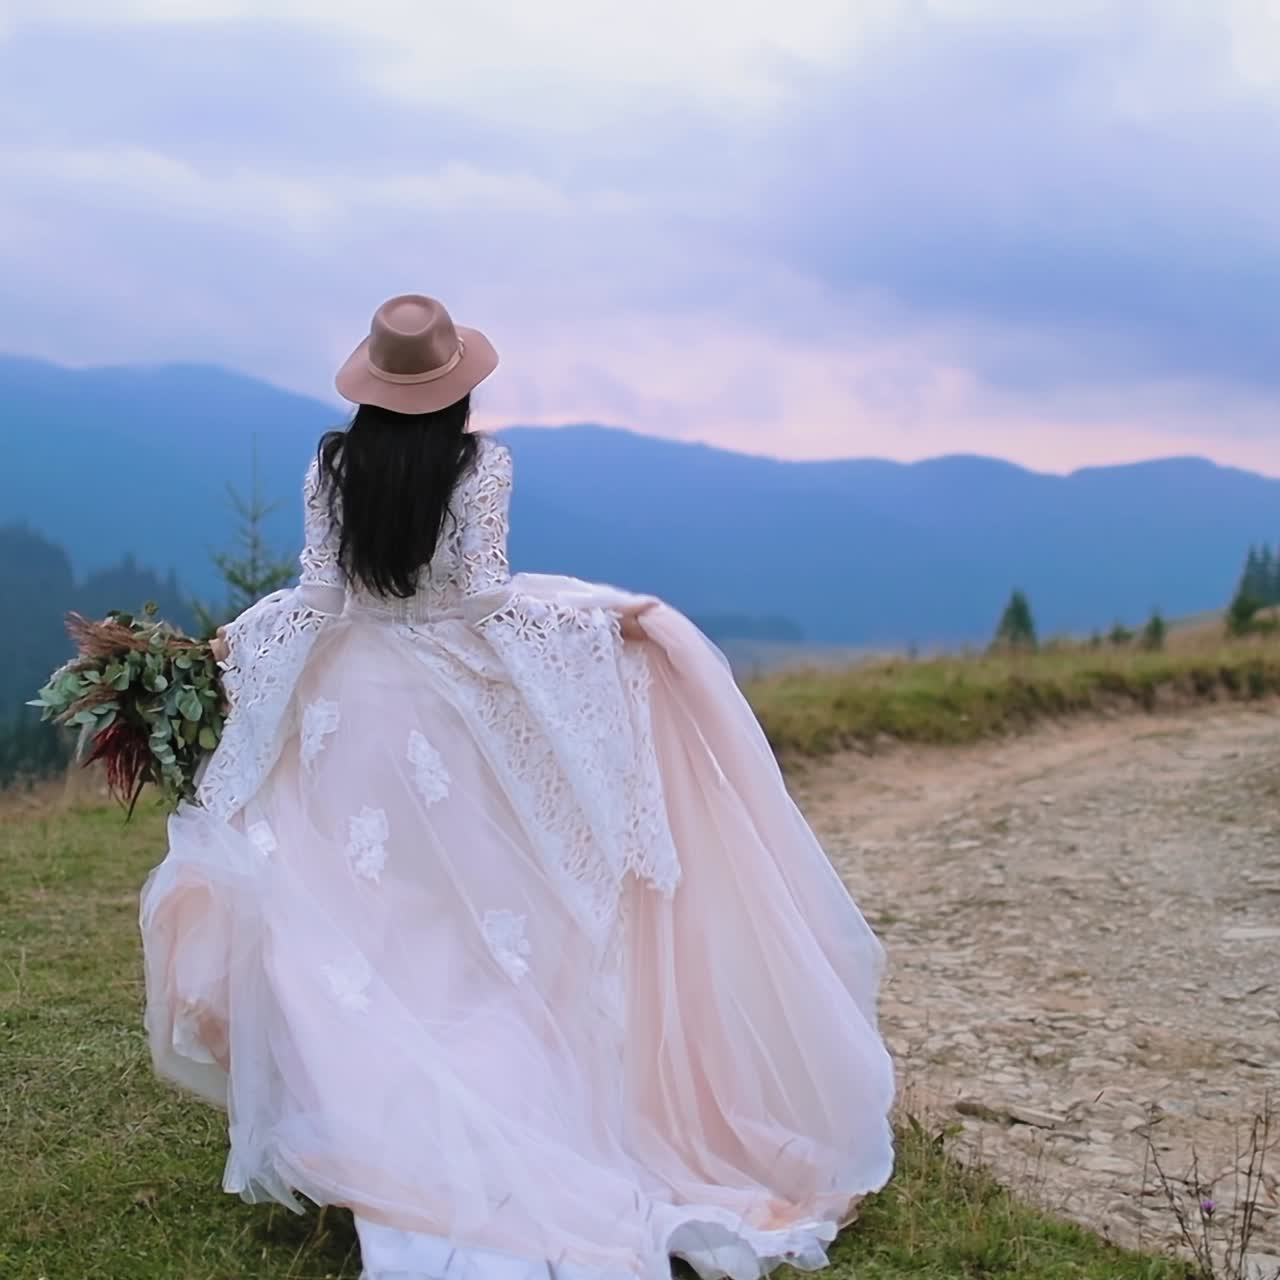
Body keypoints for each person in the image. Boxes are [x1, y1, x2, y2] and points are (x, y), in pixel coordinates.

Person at [140, 294, 894, 1280]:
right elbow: (484, 595)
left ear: (370, 385)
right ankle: (474, 1113)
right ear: (456, 386)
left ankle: (372, 1114)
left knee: (362, 920)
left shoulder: (331, 462)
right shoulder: (479, 464)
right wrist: (587, 613)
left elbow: (320, 594)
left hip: (346, 710)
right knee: (461, 924)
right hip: (443, 711)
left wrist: (244, 643)